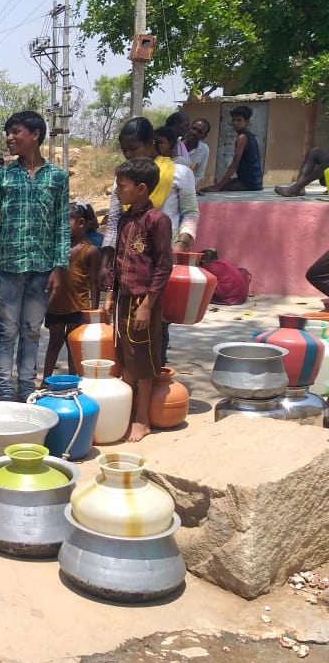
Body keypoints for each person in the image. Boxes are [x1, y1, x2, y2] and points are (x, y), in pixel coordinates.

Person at [0, 111, 70, 402]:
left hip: (43, 267)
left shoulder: (57, 177)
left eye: (15, 132)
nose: (9, 138)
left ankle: (27, 390)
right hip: (8, 266)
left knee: (32, 331)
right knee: (7, 332)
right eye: (7, 133)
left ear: (35, 135)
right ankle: (5, 393)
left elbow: (61, 224)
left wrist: (60, 267)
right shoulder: (1, 177)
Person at [101, 117, 198, 367]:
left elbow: (190, 213)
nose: (129, 154)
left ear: (150, 143)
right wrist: (107, 258)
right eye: (125, 150)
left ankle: (155, 374)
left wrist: (182, 244)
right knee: (127, 323)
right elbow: (114, 220)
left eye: (134, 149)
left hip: (163, 258)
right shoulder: (123, 179)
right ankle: (132, 376)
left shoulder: (180, 173)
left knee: (157, 321)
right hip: (130, 261)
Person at [102, 158, 172, 443]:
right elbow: (118, 262)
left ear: (141, 188)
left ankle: (142, 419)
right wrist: (109, 292)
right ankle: (127, 414)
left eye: (122, 185)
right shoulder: (127, 219)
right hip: (122, 298)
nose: (117, 190)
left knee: (143, 362)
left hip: (143, 301)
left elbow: (164, 265)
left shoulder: (157, 220)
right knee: (126, 358)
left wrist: (147, 305)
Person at [42, 203, 101, 378]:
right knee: (54, 343)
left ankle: (73, 381)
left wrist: (93, 311)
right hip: (55, 306)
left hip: (78, 307)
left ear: (81, 222)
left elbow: (94, 283)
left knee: (73, 345)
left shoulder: (90, 251)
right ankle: (46, 380)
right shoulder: (55, 250)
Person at [200, 105, 261, 193]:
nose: (235, 123)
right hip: (250, 180)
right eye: (234, 120)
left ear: (247, 122)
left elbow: (234, 164)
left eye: (239, 120)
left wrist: (218, 187)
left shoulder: (242, 138)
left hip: (249, 183)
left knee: (215, 188)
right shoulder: (248, 136)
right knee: (218, 185)